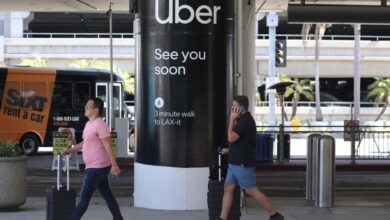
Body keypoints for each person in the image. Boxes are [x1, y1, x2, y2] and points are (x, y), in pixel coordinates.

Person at [217, 95, 284, 220]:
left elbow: (231, 138)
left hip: (242, 163)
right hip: (234, 163)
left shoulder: (245, 121)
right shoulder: (242, 120)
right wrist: (229, 150)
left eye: (234, 106)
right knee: (228, 187)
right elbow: (241, 143)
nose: (232, 108)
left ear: (241, 107)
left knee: (251, 190)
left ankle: (274, 214)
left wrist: (231, 120)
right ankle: (223, 217)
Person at [63, 97, 123, 220]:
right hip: (93, 166)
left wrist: (114, 164)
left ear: (96, 109)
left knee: (84, 199)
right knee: (108, 196)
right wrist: (71, 149)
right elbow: (85, 142)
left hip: (98, 167)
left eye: (88, 106)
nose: (85, 108)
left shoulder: (101, 124)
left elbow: (108, 145)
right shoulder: (88, 124)